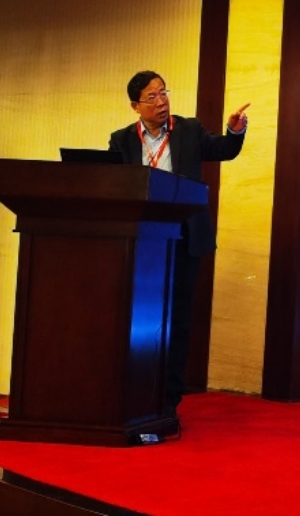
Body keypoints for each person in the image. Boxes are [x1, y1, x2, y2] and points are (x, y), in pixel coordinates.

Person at [109, 71, 249, 425]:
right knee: (136, 319)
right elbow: (111, 183)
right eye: (152, 97)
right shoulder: (121, 140)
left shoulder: (188, 129)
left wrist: (235, 130)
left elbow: (224, 150)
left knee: (178, 319)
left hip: (183, 237)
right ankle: (132, 392)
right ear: (135, 106)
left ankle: (169, 400)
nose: (161, 101)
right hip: (140, 239)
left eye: (163, 93)